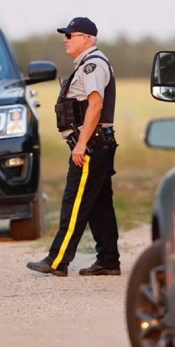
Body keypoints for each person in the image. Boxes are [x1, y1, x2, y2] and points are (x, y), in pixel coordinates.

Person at [26, 17, 120, 277]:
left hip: (90, 145)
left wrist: (80, 143)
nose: (66, 39)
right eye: (65, 35)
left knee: (75, 202)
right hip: (96, 143)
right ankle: (109, 260)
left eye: (71, 34)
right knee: (99, 205)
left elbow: (95, 105)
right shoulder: (88, 64)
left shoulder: (93, 66)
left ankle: (58, 260)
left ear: (87, 39)